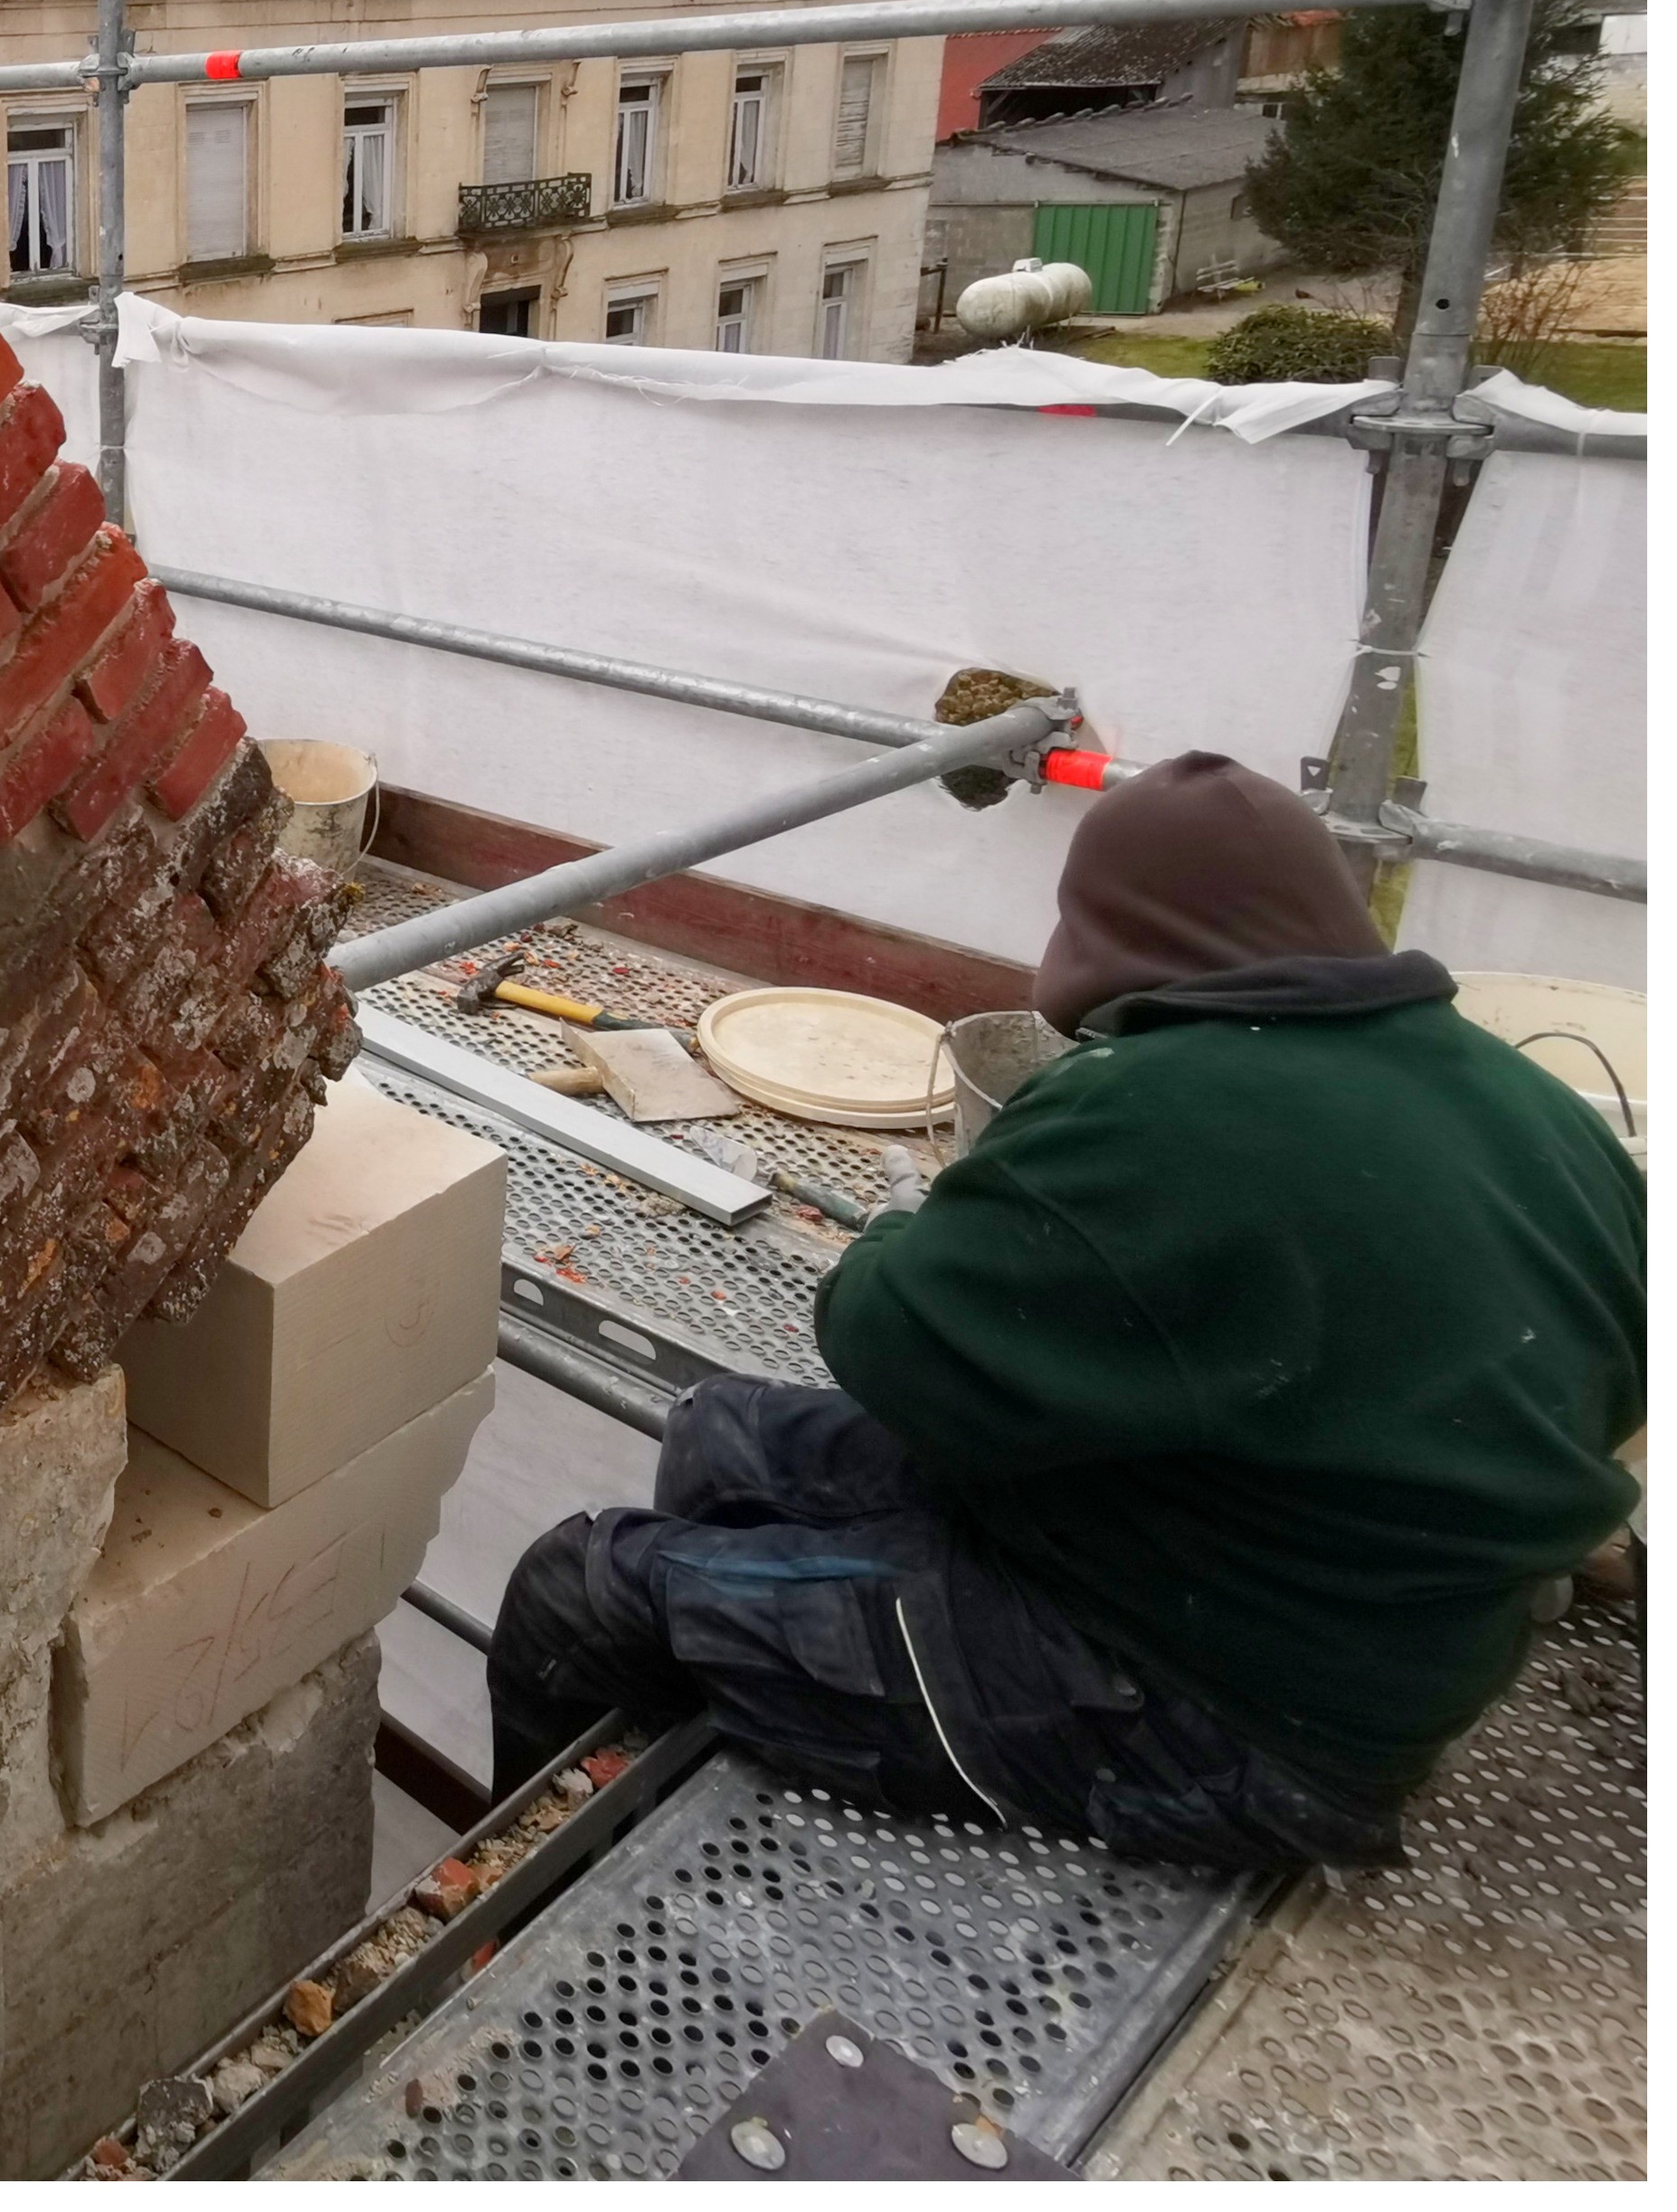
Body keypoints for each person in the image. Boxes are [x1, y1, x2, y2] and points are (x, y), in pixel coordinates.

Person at [487, 752, 1644, 1867]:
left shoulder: (1155, 1106)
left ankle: (511, 1926)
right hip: (1285, 1587)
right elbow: (1623, 1381)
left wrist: (910, 1225)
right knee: (720, 1432)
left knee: (577, 1593)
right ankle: (762, 1678)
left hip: (1233, 1716)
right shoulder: (1535, 1103)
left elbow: (881, 1334)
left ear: (1112, 931)